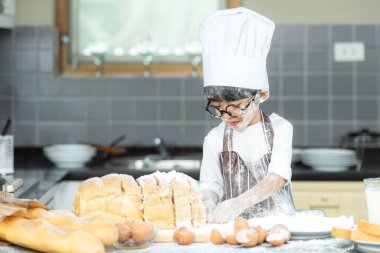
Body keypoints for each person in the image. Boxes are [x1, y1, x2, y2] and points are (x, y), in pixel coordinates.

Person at [199, 7, 296, 224]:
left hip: (278, 225)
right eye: (218, 108)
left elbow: (278, 176)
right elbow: (210, 185)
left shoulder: (281, 129)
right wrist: (208, 202)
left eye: (236, 105)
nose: (228, 115)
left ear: (262, 94)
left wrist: (238, 203)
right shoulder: (214, 139)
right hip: (232, 230)